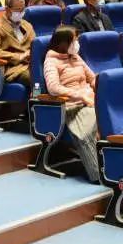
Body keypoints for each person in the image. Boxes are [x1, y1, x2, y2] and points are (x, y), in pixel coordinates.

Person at [42, 26, 99, 182]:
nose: (77, 43)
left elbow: (92, 77)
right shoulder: (51, 61)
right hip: (73, 105)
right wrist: (81, 96)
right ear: (63, 43)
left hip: (91, 99)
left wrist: (100, 85)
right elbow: (54, 88)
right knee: (87, 132)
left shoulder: (75, 57)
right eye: (74, 40)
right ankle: (98, 173)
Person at [0, 0, 34, 87]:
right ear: (7, 9)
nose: (21, 13)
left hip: (31, 64)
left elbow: (35, 46)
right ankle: (37, 96)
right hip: (13, 68)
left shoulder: (27, 25)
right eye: (17, 10)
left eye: (23, 9)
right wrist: (19, 56)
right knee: (35, 77)